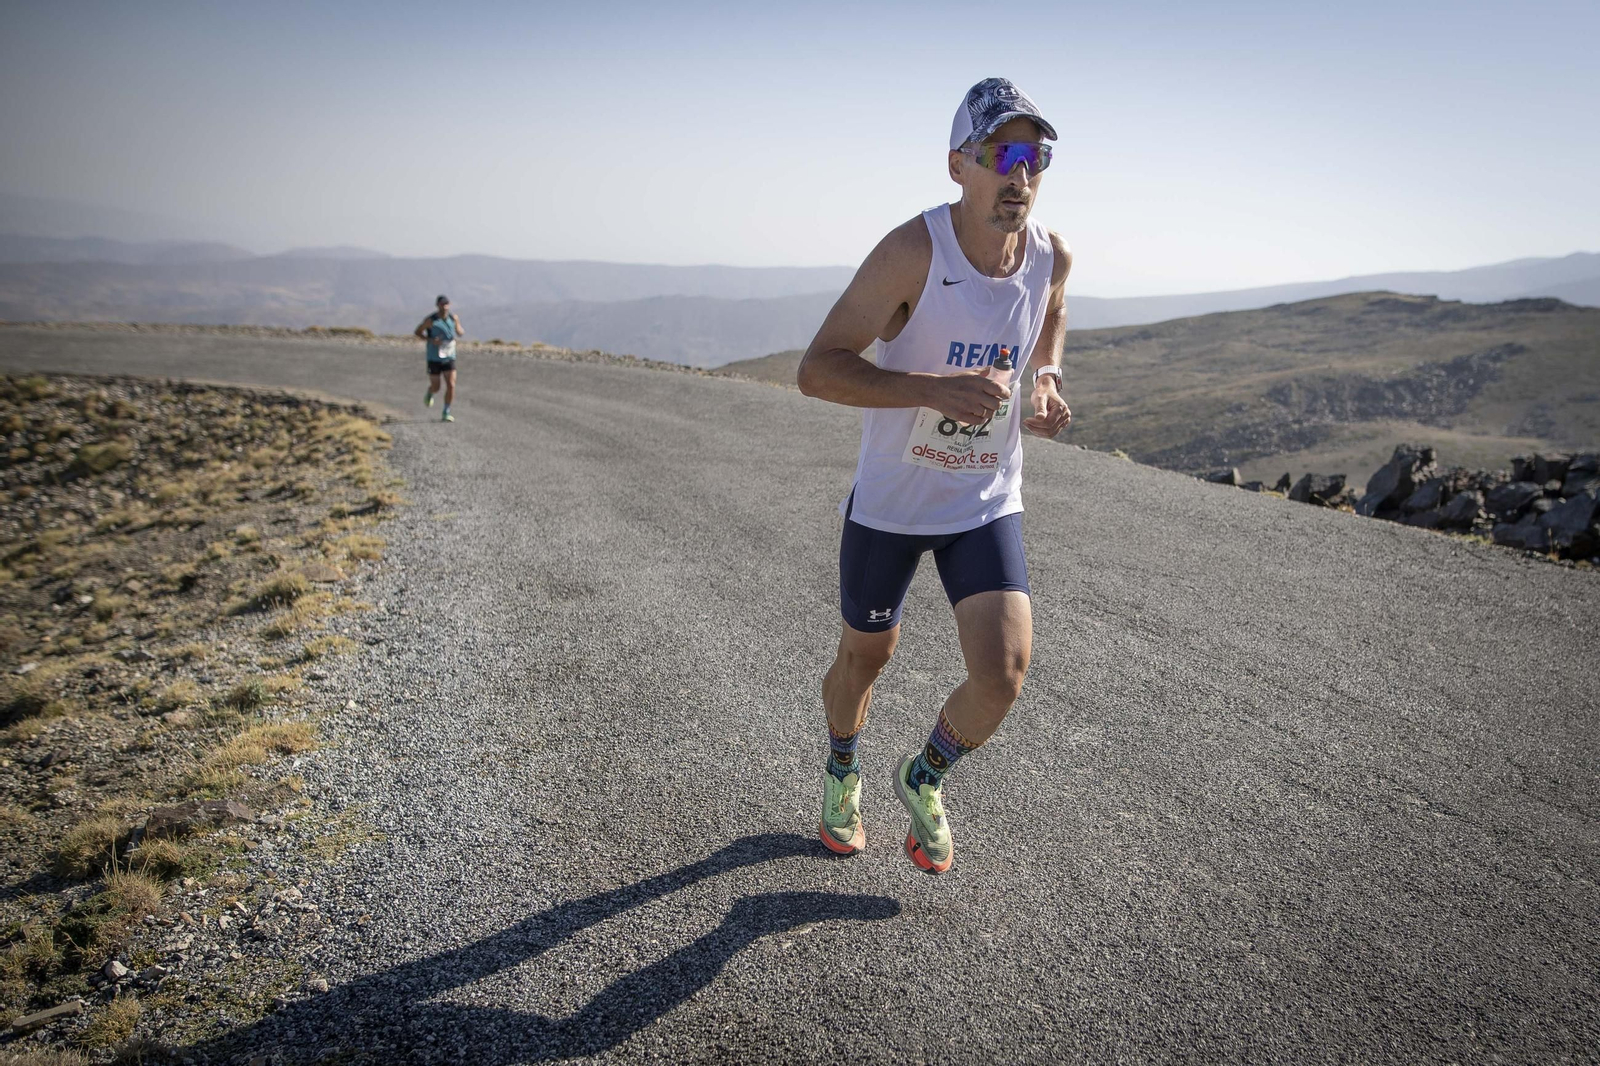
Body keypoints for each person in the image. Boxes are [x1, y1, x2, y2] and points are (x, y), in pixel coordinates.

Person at [796, 78, 1074, 873]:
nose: (1021, 173)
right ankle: (842, 767)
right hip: (892, 501)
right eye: (1002, 154)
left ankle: (923, 776)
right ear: (960, 165)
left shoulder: (1051, 253)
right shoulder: (913, 252)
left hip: (983, 498)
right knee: (865, 658)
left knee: (1003, 673)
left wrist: (1046, 376)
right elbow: (818, 369)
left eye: (1036, 155)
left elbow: (1051, 308)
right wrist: (928, 390)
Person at [415, 295, 464, 422]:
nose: (445, 306)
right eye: (442, 304)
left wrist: (458, 328)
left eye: (446, 303)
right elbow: (418, 332)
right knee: (436, 387)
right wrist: (431, 340)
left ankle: (446, 411)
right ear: (437, 305)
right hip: (434, 357)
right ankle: (430, 392)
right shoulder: (431, 320)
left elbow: (460, 332)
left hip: (449, 356)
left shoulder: (453, 318)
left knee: (451, 385)